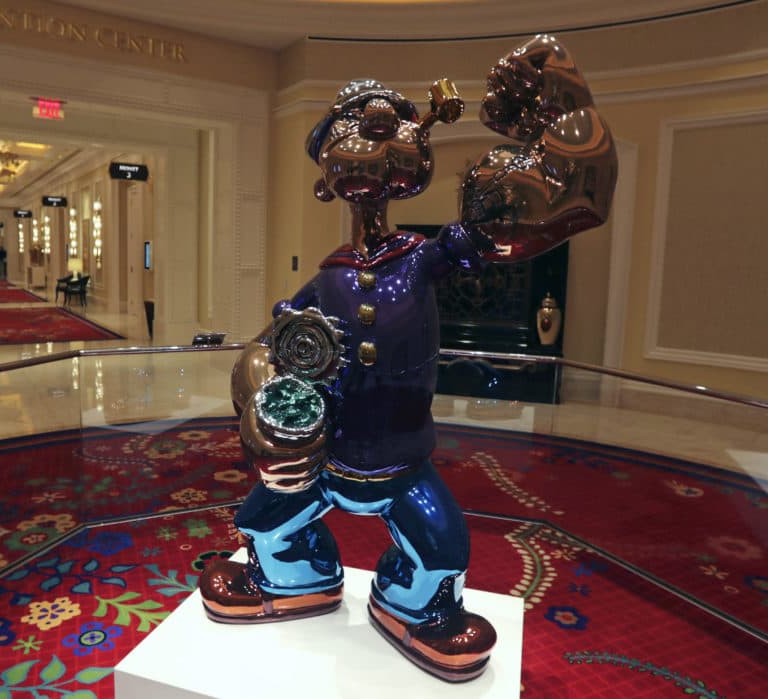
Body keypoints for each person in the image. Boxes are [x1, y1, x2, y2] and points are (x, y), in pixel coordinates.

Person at [199, 35, 616, 683]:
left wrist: (558, 126)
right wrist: (261, 405)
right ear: (326, 180)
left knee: (444, 547)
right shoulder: (329, 277)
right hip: (325, 462)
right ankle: (293, 578)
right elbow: (267, 344)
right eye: (357, 127)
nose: (371, 131)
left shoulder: (422, 258)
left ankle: (414, 606)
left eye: (384, 123)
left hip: (403, 464)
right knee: (260, 521)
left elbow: (502, 232)